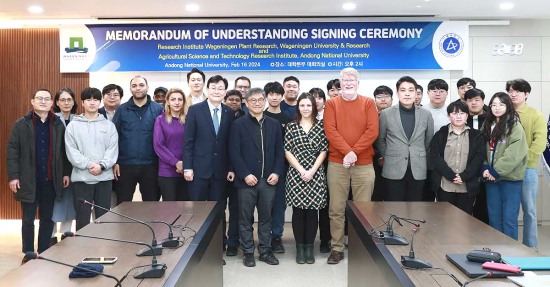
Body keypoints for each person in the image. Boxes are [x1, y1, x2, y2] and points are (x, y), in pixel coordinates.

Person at [7, 89, 71, 263]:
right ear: (32, 102)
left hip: (50, 180)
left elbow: (64, 152)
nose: (43, 101)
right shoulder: (21, 124)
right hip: (28, 180)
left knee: (47, 218)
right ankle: (28, 252)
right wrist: (13, 176)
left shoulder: (58, 124)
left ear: (52, 103)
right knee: (28, 219)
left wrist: (66, 173)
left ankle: (44, 251)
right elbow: (12, 152)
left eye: (47, 99)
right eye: (39, 98)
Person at [324, 68, 379, 264]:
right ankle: (337, 248)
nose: (348, 82)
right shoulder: (331, 104)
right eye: (345, 80)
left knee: (363, 210)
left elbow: (372, 130)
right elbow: (330, 130)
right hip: (337, 165)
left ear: (358, 83)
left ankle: (361, 249)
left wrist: (353, 153)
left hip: (363, 165)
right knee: (336, 209)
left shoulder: (368, 103)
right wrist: (348, 153)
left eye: (352, 79)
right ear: (340, 83)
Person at [230, 88, 284, 267]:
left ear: (265, 101)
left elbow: (279, 151)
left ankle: (265, 251)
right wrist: (245, 174)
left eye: (261, 99)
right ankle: (247, 252)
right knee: (245, 219)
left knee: (266, 218)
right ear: (246, 102)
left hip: (268, 180)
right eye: (253, 100)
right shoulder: (238, 123)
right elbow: (234, 152)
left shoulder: (274, 124)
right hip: (247, 181)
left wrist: (276, 172)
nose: (257, 103)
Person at [65, 87, 118, 230]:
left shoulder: (109, 125)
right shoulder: (73, 126)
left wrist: (101, 166)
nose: (92, 103)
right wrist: (89, 164)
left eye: (95, 99)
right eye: (88, 99)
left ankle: (102, 250)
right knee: (82, 219)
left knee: (103, 219)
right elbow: (71, 151)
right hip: (82, 179)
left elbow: (112, 150)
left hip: (104, 178)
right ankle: (82, 251)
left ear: (100, 102)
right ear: (82, 102)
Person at [285, 93, 328, 264]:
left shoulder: (321, 126)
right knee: (298, 212)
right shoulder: (291, 126)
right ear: (298, 108)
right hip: (296, 173)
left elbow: (324, 150)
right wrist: (302, 169)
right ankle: (300, 248)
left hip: (315, 174)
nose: (305, 108)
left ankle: (309, 248)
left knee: (312, 213)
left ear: (314, 107)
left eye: (308, 105)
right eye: (302, 105)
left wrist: (311, 171)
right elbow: (287, 150)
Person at [376, 76, 434, 201]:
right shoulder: (386, 114)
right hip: (393, 167)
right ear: (397, 93)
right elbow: (380, 139)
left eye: (411, 90)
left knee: (416, 208)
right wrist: (389, 155)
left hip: (418, 167)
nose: (407, 93)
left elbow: (428, 139)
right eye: (403, 90)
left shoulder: (426, 114)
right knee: (394, 207)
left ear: (416, 93)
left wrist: (418, 152)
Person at [481, 92, 528, 240]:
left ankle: (510, 256)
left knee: (509, 220)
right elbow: (481, 149)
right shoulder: (487, 125)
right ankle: (497, 255)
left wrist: (495, 171)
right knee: (494, 218)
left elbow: (514, 154)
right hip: (491, 179)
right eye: (493, 105)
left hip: (510, 179)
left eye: (501, 104)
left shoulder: (515, 126)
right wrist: (484, 168)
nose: (497, 108)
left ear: (508, 106)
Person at [507, 79, 547, 249]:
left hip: (527, 170)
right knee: (510, 211)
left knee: (529, 210)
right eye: (510, 91)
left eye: (517, 91)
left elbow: (539, 143)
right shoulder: (504, 113)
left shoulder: (535, 115)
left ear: (527, 94)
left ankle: (531, 248)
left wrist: (521, 161)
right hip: (507, 171)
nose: (513, 94)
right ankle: (510, 247)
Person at [112, 76, 163, 204]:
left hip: (151, 165)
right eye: (134, 86)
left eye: (141, 85)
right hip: (125, 165)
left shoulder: (158, 109)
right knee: (123, 205)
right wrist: (116, 161)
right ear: (130, 89)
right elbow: (114, 137)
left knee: (152, 206)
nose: (138, 88)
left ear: (147, 87)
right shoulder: (122, 109)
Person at [183, 75, 234, 202]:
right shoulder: (195, 110)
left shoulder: (229, 112)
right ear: (207, 89)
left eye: (221, 88)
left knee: (218, 210)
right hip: (198, 171)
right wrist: (187, 167)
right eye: (213, 88)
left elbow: (231, 144)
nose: (217, 91)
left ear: (225, 92)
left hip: (221, 172)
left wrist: (231, 168)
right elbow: (188, 141)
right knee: (196, 210)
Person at [429, 101, 485, 214]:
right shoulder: (440, 134)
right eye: (454, 113)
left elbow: (479, 157)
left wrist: (464, 176)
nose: (458, 116)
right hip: (445, 185)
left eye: (462, 113)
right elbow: (435, 156)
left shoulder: (477, 135)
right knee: (445, 219)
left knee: (465, 220)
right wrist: (451, 176)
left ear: (467, 116)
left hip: (466, 186)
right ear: (449, 116)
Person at [263, 81, 292, 254]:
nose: (274, 97)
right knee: (265, 205)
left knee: (279, 205)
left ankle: (277, 237)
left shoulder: (288, 119)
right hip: (262, 169)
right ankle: (264, 236)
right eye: (271, 94)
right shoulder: (261, 116)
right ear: (266, 96)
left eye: (277, 94)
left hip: (282, 169)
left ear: (281, 96)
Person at [51, 87, 77, 244]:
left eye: (69, 99)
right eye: (63, 100)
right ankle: (52, 236)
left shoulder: (79, 119)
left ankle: (67, 234)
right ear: (57, 102)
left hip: (75, 169)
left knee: (71, 203)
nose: (66, 103)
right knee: (54, 203)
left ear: (74, 102)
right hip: (56, 169)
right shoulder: (52, 119)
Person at [153, 88, 188, 201]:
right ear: (167, 101)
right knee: (170, 210)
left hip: (186, 170)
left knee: (185, 210)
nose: (177, 102)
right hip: (167, 171)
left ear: (184, 102)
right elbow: (158, 145)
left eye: (180, 99)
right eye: (173, 99)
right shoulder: (160, 120)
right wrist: (176, 163)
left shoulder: (189, 120)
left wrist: (185, 164)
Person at [223, 89, 245, 257]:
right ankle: (221, 240)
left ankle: (233, 242)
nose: (234, 102)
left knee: (237, 209)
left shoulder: (245, 118)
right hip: (220, 171)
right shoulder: (221, 116)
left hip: (240, 171)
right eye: (230, 99)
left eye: (237, 100)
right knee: (220, 208)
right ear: (225, 100)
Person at [464, 88, 490, 224]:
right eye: (470, 100)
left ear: (483, 101)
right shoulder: (461, 118)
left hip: (485, 169)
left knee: (483, 206)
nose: (473, 103)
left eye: (477, 100)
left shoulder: (491, 119)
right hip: (465, 169)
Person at [422, 79, 450, 202]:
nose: (437, 94)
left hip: (446, 163)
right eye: (434, 90)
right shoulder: (420, 111)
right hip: (424, 163)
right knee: (425, 200)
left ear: (447, 93)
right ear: (428, 93)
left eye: (441, 91)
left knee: (444, 202)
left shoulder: (452, 111)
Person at [372, 85, 393, 202]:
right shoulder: (369, 116)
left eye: (386, 96)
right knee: (376, 197)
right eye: (379, 97)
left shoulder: (398, 116)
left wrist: (387, 157)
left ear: (392, 99)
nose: (383, 99)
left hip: (394, 161)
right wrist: (379, 156)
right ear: (375, 100)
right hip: (374, 162)